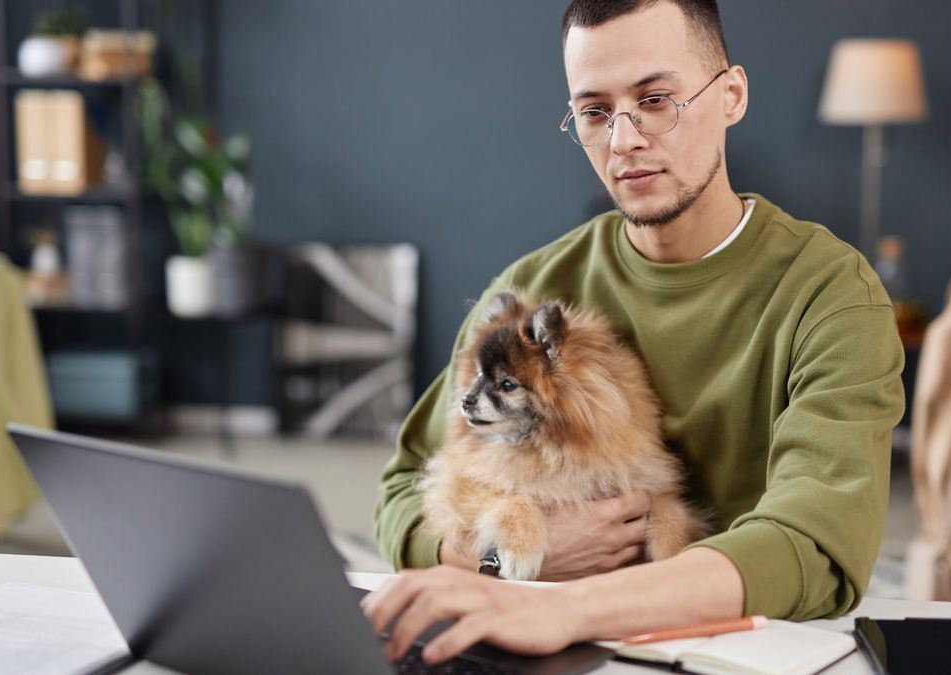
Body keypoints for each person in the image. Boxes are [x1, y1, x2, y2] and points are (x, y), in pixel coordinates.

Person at [363, 0, 905, 664]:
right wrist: (501, 558)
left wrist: (564, 606)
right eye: (594, 111)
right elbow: (402, 491)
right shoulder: (531, 287)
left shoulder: (831, 294)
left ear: (731, 94)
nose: (623, 140)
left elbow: (818, 543)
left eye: (655, 99)